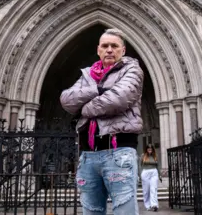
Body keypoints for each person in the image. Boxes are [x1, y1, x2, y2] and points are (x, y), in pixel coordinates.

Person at [60, 28, 144, 215]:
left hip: (118, 152)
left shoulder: (132, 69)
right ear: (98, 49)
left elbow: (120, 98)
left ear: (123, 50)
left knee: (124, 212)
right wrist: (99, 89)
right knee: (91, 212)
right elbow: (66, 99)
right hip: (88, 155)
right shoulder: (88, 74)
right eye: (105, 46)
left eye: (114, 46)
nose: (109, 50)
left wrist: (85, 109)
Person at [140, 144, 161, 212]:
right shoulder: (143, 156)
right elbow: (140, 165)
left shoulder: (155, 156)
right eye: (148, 149)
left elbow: (158, 166)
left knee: (153, 189)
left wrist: (160, 175)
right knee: (146, 190)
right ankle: (147, 205)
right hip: (145, 172)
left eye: (151, 149)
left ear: (152, 150)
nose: (150, 150)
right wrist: (140, 174)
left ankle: (154, 205)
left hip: (154, 172)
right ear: (146, 149)